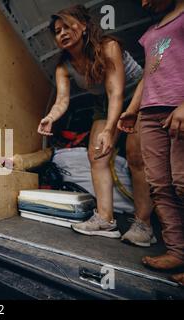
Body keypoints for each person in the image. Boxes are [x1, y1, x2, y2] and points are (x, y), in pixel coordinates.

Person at [38, 5, 154, 244]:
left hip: (137, 95)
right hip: (105, 102)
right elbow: (62, 101)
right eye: (58, 31)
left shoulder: (108, 47)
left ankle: (144, 225)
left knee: (135, 155)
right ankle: (105, 220)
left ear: (82, 26)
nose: (63, 33)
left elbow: (116, 92)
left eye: (68, 27)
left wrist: (111, 131)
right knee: (96, 155)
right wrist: (50, 116)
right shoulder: (64, 66)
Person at [118, 0, 184, 286]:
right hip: (149, 112)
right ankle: (177, 251)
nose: (143, 2)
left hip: (178, 108)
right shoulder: (150, 32)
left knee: (182, 181)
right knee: (160, 183)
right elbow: (148, 74)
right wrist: (133, 109)